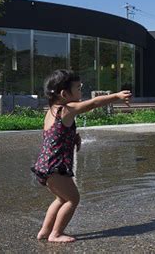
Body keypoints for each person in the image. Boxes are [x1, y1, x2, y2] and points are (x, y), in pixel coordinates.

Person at [31, 69, 131, 242]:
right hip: (56, 166)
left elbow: (54, 135)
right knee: (73, 199)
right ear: (64, 93)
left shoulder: (52, 111)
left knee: (61, 198)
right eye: (77, 88)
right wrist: (116, 96)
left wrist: (73, 137)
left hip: (45, 165)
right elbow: (93, 104)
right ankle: (56, 234)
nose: (81, 91)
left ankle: (45, 231)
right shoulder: (67, 108)